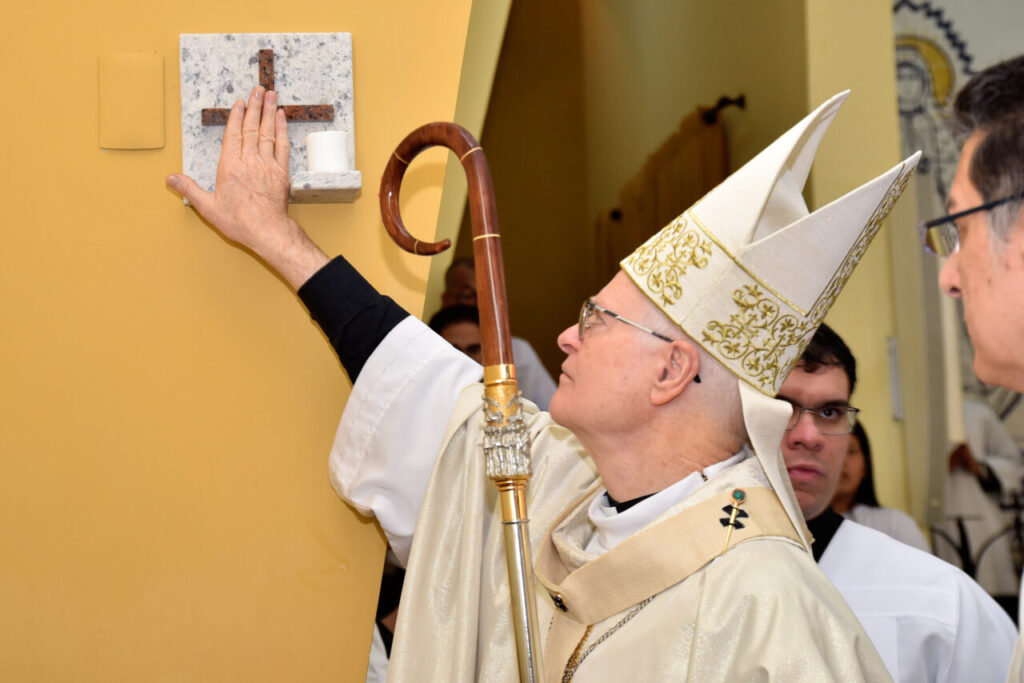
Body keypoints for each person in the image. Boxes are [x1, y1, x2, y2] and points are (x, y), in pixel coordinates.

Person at [165, 86, 916, 680]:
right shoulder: (563, 488)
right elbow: (423, 382)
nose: (562, 335)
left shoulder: (766, 607)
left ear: (670, 370)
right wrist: (275, 237)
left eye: (597, 318)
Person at [777, 323, 1016, 683]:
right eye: (782, 408)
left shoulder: (941, 603)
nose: (809, 436)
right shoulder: (677, 572)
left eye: (830, 413)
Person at [441, 257, 557, 410]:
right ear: (446, 299)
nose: (479, 304)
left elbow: (550, 413)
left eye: (487, 297)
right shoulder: (429, 347)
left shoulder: (518, 352)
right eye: (468, 295)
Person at [831, 421, 931, 551]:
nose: (842, 460)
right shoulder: (799, 530)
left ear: (865, 466)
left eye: (850, 451)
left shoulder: (895, 525)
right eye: (834, 451)